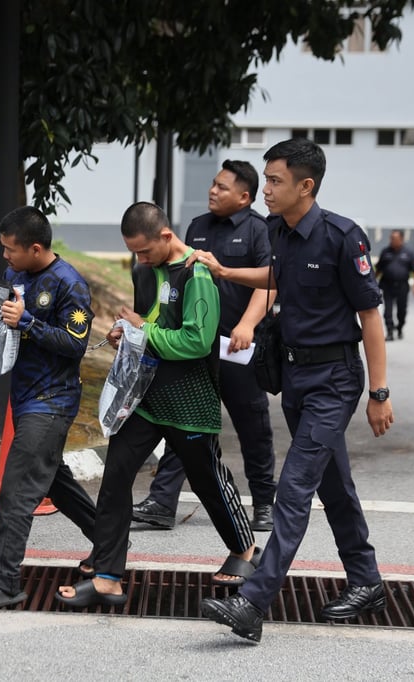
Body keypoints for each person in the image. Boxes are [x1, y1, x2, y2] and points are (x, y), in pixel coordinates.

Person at [198, 138, 394, 644]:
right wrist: (226, 270)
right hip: (297, 378)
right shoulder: (277, 232)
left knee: (295, 488)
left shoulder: (340, 236)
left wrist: (379, 392)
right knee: (335, 486)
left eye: (275, 180)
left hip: (335, 379)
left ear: (306, 186)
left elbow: (370, 315)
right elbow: (275, 278)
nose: (266, 189)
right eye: (266, 179)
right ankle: (367, 580)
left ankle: (252, 602)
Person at [55, 201, 258, 609]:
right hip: (145, 398)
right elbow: (150, 316)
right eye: (134, 252)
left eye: (145, 251)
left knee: (207, 479)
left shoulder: (197, 274)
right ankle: (109, 577)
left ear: (166, 236)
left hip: (190, 401)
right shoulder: (149, 270)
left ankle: (245, 550)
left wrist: (141, 330)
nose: (140, 259)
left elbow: (196, 342)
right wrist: (125, 331)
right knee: (115, 478)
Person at [0, 207, 98, 610]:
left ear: (36, 248)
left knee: (17, 491)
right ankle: (110, 544)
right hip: (24, 396)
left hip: (52, 401)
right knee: (55, 482)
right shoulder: (18, 276)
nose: (5, 257)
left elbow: (76, 345)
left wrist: (28, 322)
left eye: (10, 250)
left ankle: (5, 581)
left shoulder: (71, 284)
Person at [132, 159, 277, 538]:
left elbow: (272, 281)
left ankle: (263, 502)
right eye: (213, 184)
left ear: (244, 197)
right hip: (193, 348)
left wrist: (248, 324)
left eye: (223, 187)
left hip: (235, 346)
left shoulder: (258, 230)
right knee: (184, 422)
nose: (213, 191)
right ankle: (162, 503)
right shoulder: (197, 227)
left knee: (252, 425)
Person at [375, 229, 414, 341]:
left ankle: (400, 327)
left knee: (402, 311)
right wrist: (372, 283)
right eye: (391, 238)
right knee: (388, 311)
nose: (392, 240)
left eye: (394, 239)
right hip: (387, 285)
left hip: (402, 286)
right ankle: (390, 331)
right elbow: (379, 269)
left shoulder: (409, 253)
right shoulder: (385, 252)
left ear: (401, 239)